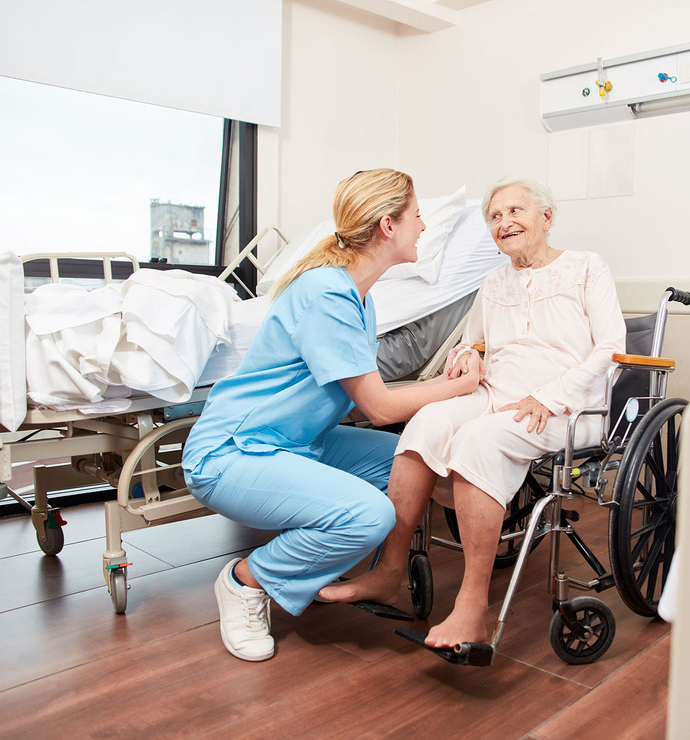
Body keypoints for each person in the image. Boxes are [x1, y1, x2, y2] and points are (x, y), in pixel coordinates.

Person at [181, 169, 480, 662]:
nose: (423, 226)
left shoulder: (359, 294)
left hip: (300, 442)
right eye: (417, 216)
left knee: (418, 456)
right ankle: (245, 581)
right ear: (388, 226)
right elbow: (379, 407)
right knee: (369, 515)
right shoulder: (327, 293)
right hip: (232, 452)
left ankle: (385, 574)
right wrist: (458, 387)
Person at [319, 176, 626, 649]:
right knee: (425, 424)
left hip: (564, 405)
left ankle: (472, 607)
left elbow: (611, 350)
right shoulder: (494, 280)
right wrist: (467, 355)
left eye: (515, 211)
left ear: (546, 217)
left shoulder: (587, 268)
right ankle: (389, 571)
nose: (504, 222)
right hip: (496, 393)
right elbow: (473, 339)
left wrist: (549, 395)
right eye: (495, 217)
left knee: (478, 439)